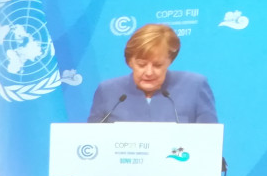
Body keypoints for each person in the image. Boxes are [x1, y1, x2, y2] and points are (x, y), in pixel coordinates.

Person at [88, 23, 217, 124]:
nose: (149, 72)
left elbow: (210, 143)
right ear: (129, 62)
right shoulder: (107, 91)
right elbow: (92, 142)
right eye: (141, 65)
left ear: (170, 61)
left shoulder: (194, 86)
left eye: (157, 65)